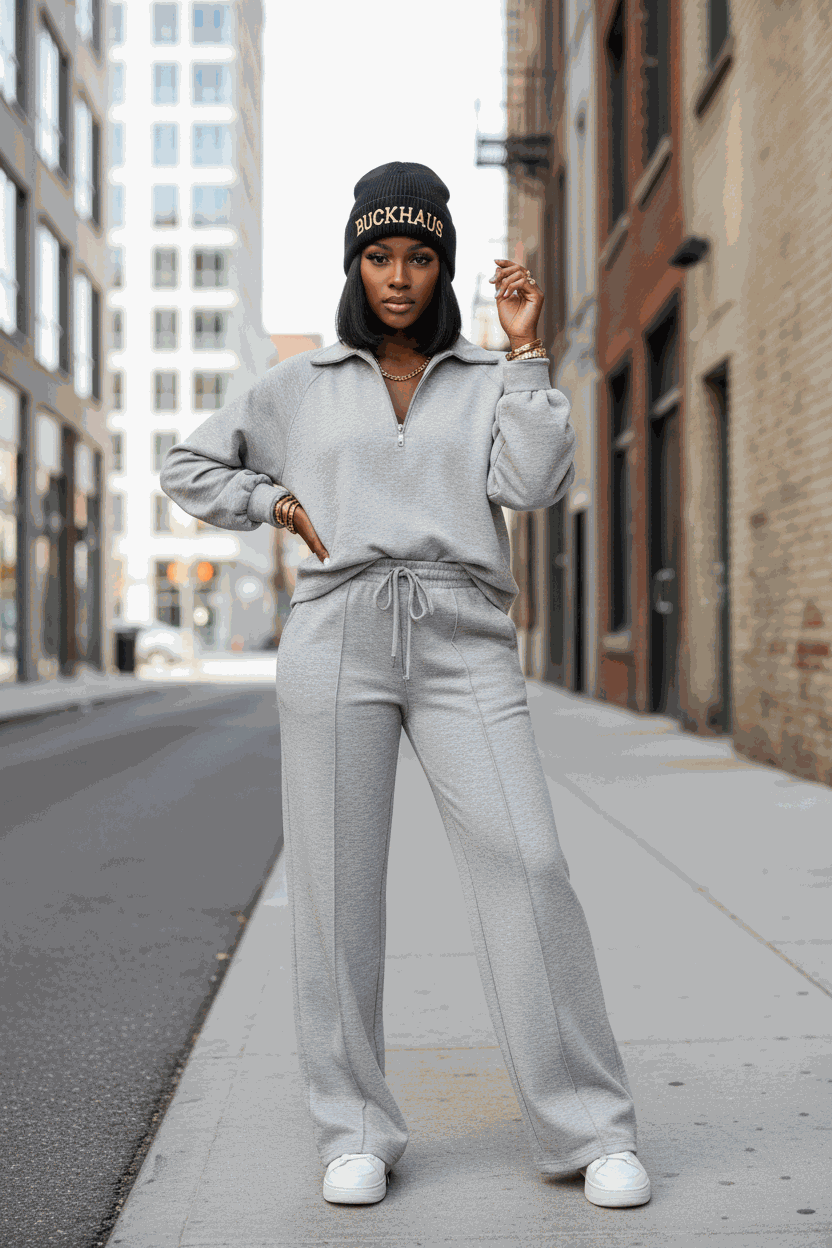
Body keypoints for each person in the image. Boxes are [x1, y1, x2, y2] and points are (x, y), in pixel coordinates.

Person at [160, 161, 651, 1211]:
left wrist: (525, 352)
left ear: (444, 266)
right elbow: (189, 467)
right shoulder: (299, 384)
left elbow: (535, 483)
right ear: (355, 262)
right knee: (337, 893)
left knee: (528, 861)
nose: (398, 276)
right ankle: (356, 1128)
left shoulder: (484, 377)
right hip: (336, 634)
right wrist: (275, 502)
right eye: (379, 255)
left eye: (418, 256)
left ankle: (587, 1126)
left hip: (463, 636)